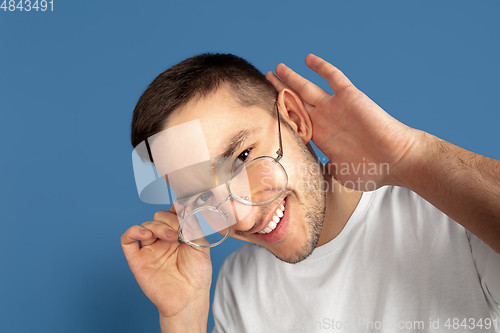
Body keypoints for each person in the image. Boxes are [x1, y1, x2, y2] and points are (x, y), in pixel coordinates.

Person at [121, 53, 500, 332]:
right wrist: (183, 315)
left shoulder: (445, 210)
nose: (243, 216)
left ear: (296, 119)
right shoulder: (240, 285)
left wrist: (412, 157)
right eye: (202, 195)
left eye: (242, 157)